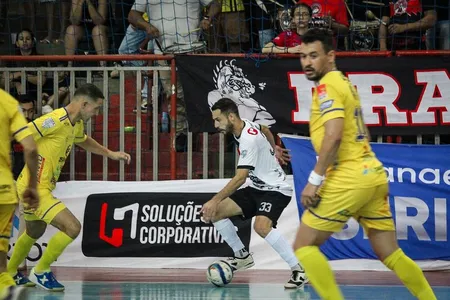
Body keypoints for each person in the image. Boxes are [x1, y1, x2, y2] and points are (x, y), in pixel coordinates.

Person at [293, 28, 436, 300]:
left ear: (331, 56)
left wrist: (315, 180)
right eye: (303, 56)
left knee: (303, 246)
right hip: (371, 174)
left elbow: (333, 136)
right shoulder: (345, 83)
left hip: (348, 176)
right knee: (390, 253)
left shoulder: (327, 86)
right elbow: (364, 134)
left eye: (314, 55)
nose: (307, 62)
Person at [8, 83, 132, 291]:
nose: (97, 113)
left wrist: (109, 153)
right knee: (72, 227)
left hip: (39, 186)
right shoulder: (54, 120)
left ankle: (10, 273)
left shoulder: (75, 124)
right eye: (96, 108)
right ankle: (41, 271)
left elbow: (83, 140)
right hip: (35, 188)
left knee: (34, 231)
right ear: (84, 104)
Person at [201, 98, 308, 289]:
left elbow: (241, 178)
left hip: (276, 189)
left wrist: (213, 200)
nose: (215, 125)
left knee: (261, 227)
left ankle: (299, 271)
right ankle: (242, 256)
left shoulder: (248, 139)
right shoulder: (244, 127)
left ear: (231, 117)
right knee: (215, 213)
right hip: (258, 187)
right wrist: (273, 148)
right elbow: (265, 129)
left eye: (218, 120)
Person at [0, 89, 39, 299]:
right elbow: (31, 149)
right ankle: (7, 287)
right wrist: (32, 186)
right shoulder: (7, 102)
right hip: (5, 190)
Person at [11, 94, 36, 274]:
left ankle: (19, 263)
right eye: (23, 111)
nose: (27, 114)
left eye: (30, 111)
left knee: (26, 218)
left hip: (24, 180)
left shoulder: (37, 127)